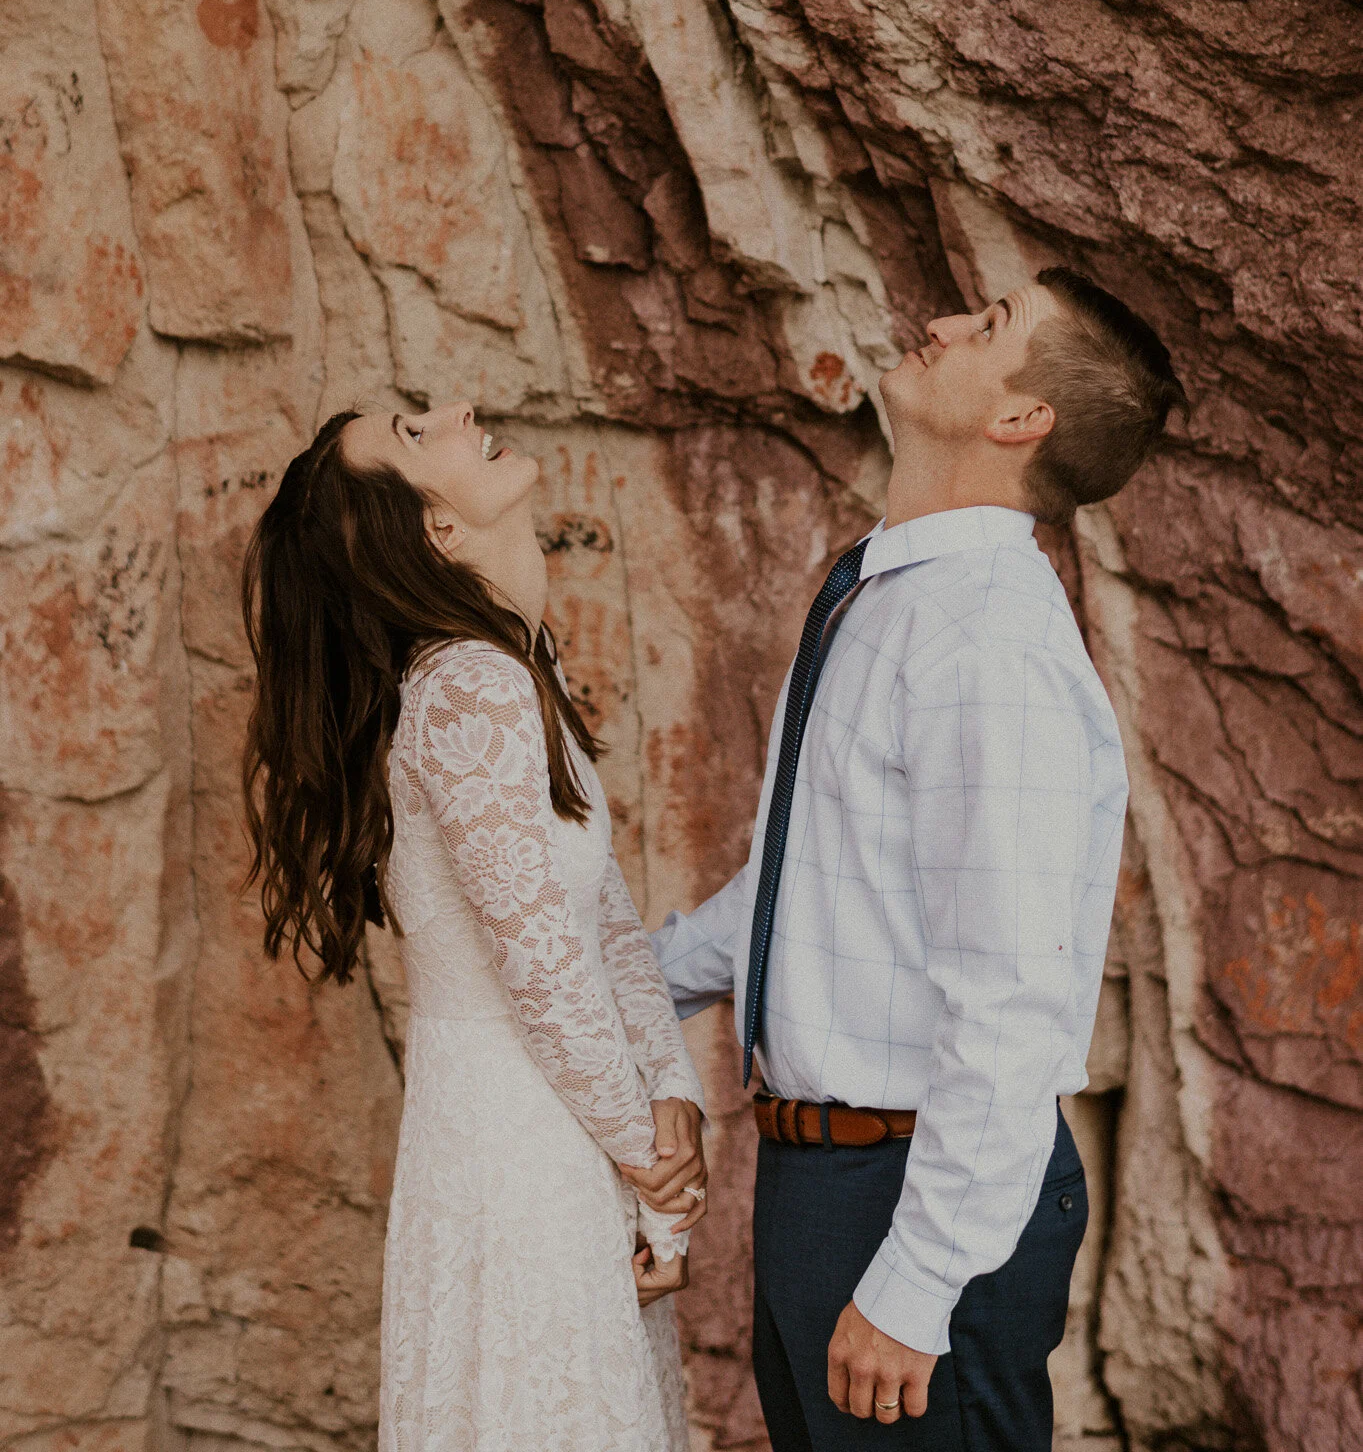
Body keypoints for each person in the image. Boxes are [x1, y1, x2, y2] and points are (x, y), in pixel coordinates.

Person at [651, 267, 1187, 1450]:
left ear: (1018, 419)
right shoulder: (889, 589)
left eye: (989, 326)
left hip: (918, 1195)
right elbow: (814, 886)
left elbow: (1008, 997)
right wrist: (639, 972)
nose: (941, 322)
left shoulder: (990, 641)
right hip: (818, 1180)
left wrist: (916, 1280)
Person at [240, 402, 708, 1452]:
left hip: (570, 1128)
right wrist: (654, 1166)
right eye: (417, 430)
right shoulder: (469, 689)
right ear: (436, 529)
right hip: (518, 1150)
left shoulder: (509, 667)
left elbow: (610, 927)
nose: (457, 411)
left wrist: (671, 1090)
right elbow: (541, 968)